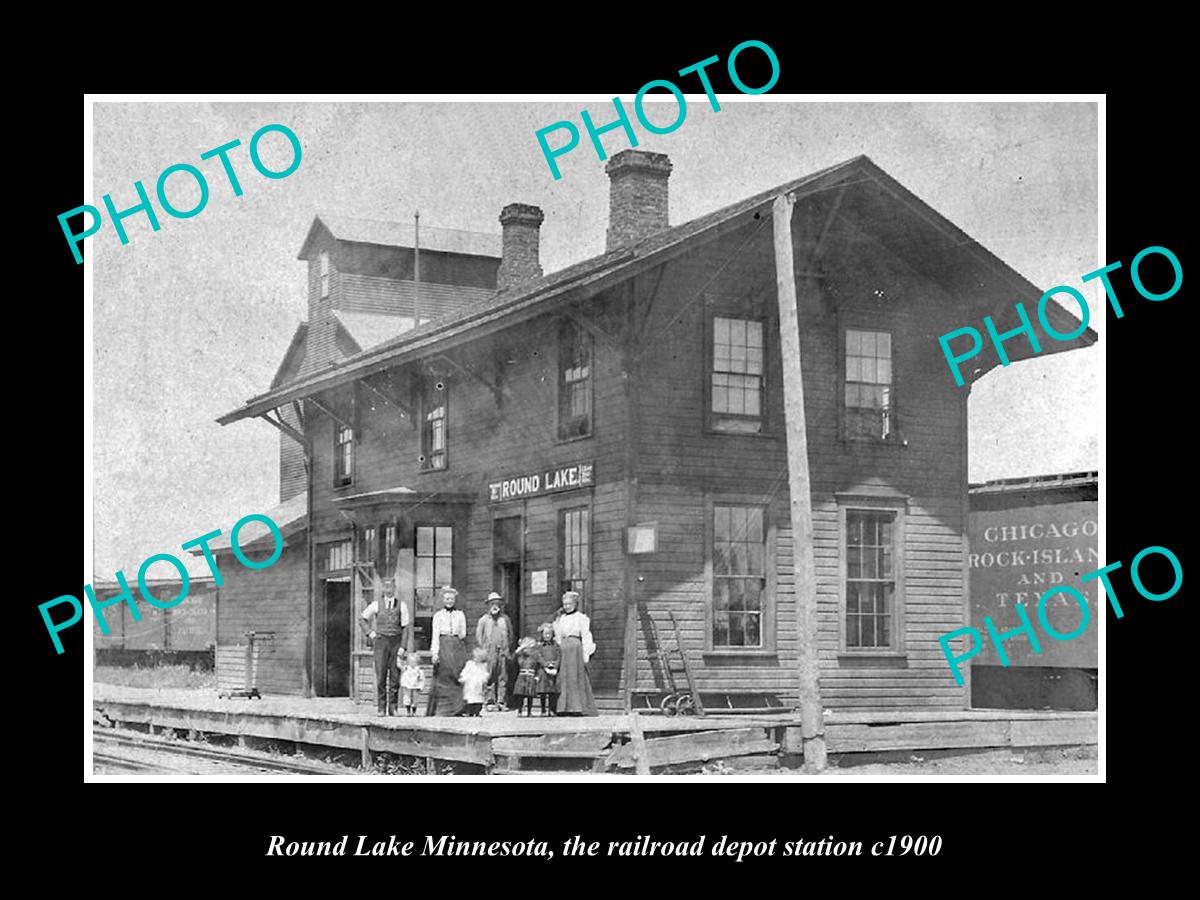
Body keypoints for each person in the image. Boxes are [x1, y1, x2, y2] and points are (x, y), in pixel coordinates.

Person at [359, 577, 410, 716]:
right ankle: (381, 708)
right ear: (383, 589)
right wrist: (370, 633)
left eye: (391, 587)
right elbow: (362, 619)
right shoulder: (376, 604)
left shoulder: (402, 605)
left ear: (394, 588)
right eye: (386, 587)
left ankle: (393, 708)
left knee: (395, 676)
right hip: (381, 643)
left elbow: (406, 628)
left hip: (396, 643)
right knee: (381, 675)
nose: (388, 590)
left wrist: (403, 646)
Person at [425, 586, 468, 717]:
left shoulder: (460, 614)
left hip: (457, 645)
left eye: (451, 599)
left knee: (458, 674)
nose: (449, 601)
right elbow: (435, 635)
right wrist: (435, 653)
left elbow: (463, 634)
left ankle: (459, 708)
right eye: (447, 599)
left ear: (455, 600)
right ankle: (443, 709)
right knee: (444, 676)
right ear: (443, 600)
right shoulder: (438, 616)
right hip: (443, 645)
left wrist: (456, 640)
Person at [553, 591, 598, 716]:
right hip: (564, 649)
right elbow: (559, 636)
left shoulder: (581, 618)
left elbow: (586, 635)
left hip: (575, 648)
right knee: (564, 677)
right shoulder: (561, 619)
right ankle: (563, 708)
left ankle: (577, 707)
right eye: (565, 604)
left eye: (569, 604)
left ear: (575, 604)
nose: (567, 606)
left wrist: (586, 653)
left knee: (575, 676)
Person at [475, 592, 513, 710]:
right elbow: (479, 636)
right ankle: (489, 701)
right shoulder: (484, 620)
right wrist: (485, 649)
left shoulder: (505, 619)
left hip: (502, 650)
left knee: (502, 676)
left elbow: (510, 635)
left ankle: (501, 701)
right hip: (489, 651)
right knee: (489, 676)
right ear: (488, 606)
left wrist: (506, 647)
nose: (495, 606)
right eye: (492, 604)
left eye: (497, 603)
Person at [532, 622, 560, 717]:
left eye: (549, 634)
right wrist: (545, 665)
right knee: (543, 691)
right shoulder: (539, 646)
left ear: (552, 635)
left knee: (552, 692)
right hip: (543, 671)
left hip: (553, 671)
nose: (547, 636)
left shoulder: (556, 645)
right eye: (545, 634)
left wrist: (555, 666)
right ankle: (543, 710)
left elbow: (559, 656)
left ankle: (552, 710)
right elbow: (538, 657)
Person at [458, 647, 490, 717]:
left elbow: (484, 673)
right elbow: (465, 672)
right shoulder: (469, 664)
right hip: (470, 683)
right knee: (469, 698)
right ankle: (470, 711)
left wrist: (484, 680)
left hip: (478, 684)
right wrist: (463, 678)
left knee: (478, 698)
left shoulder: (482, 666)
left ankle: (477, 711)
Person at [511, 637, 539, 717]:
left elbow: (538, 664)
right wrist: (519, 649)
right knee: (521, 695)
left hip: (531, 675)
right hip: (522, 676)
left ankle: (529, 712)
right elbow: (513, 659)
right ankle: (520, 711)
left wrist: (536, 675)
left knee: (530, 695)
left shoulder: (534, 655)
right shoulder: (521, 655)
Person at [398, 650, 426, 716]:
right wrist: (403, 684)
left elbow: (421, 678)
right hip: (407, 685)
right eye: (411, 662)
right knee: (407, 698)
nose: (412, 664)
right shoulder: (407, 669)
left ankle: (413, 711)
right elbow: (402, 671)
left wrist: (421, 686)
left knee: (415, 699)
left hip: (416, 686)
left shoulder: (419, 670)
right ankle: (408, 711)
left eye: (414, 662)